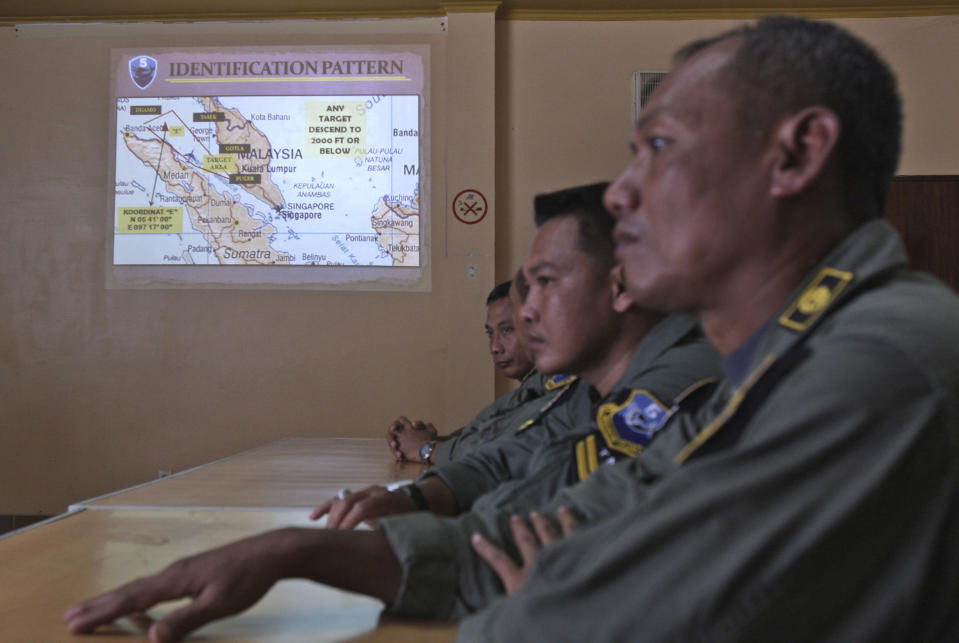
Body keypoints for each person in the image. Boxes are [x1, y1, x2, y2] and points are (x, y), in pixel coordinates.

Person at [65, 16, 959, 642]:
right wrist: (300, 549)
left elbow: (638, 616)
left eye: (657, 147)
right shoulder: (764, 370)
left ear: (795, 154)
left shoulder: (877, 359)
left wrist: (538, 612)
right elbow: (575, 533)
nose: (618, 193)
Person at [311, 184, 719, 528]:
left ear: (620, 287)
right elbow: (516, 451)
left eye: (546, 282)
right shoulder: (595, 386)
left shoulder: (680, 380)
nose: (526, 313)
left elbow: (550, 514)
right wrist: (420, 497)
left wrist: (428, 468)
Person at [386, 279, 562, 465]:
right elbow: (494, 431)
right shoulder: (534, 385)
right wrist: (422, 440)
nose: (495, 347)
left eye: (507, 330)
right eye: (490, 333)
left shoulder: (562, 385)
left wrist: (426, 449)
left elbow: (505, 448)